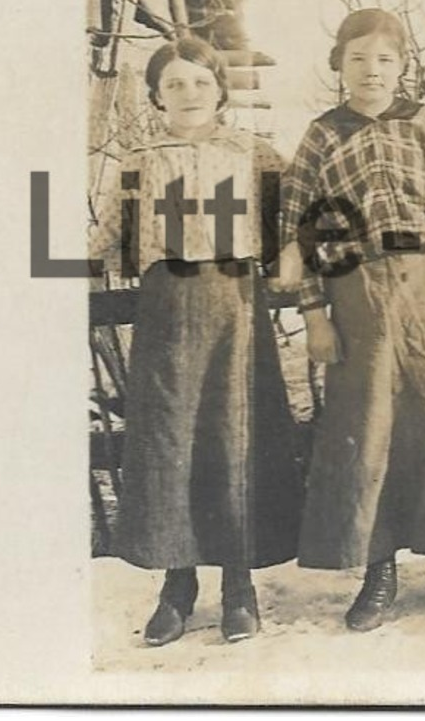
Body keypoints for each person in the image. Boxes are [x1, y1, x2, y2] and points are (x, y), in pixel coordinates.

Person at [278, 8, 425, 632]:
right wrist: (315, 315)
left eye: (384, 60)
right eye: (357, 59)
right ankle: (379, 570)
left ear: (403, 67)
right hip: (359, 297)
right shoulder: (322, 135)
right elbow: (297, 227)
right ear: (337, 66)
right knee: (368, 429)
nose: (370, 71)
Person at [91, 36, 303, 647]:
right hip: (166, 308)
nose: (188, 95)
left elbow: (294, 223)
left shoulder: (256, 154)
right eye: (175, 84)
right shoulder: (139, 159)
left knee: (233, 438)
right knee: (169, 443)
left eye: (200, 84)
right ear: (157, 94)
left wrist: (298, 254)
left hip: (236, 307)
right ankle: (177, 586)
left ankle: (239, 586)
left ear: (220, 92)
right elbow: (106, 237)